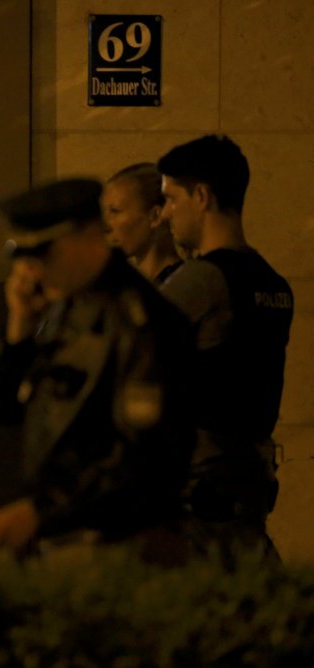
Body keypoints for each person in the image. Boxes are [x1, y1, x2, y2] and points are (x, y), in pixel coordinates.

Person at [0, 178, 196, 559]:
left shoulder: (140, 324)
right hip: (63, 536)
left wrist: (40, 513)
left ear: (90, 237)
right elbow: (5, 407)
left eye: (44, 255)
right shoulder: (66, 308)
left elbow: (145, 463)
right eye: (26, 258)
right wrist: (19, 332)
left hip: (117, 544)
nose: (33, 271)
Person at [158, 135, 293, 560]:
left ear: (201, 196)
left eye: (171, 199)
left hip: (201, 495)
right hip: (248, 488)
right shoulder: (273, 284)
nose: (165, 216)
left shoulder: (200, 281)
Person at [102, 162, 183, 285]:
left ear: (155, 216)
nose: (105, 225)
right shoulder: (125, 289)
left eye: (115, 211)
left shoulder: (184, 286)